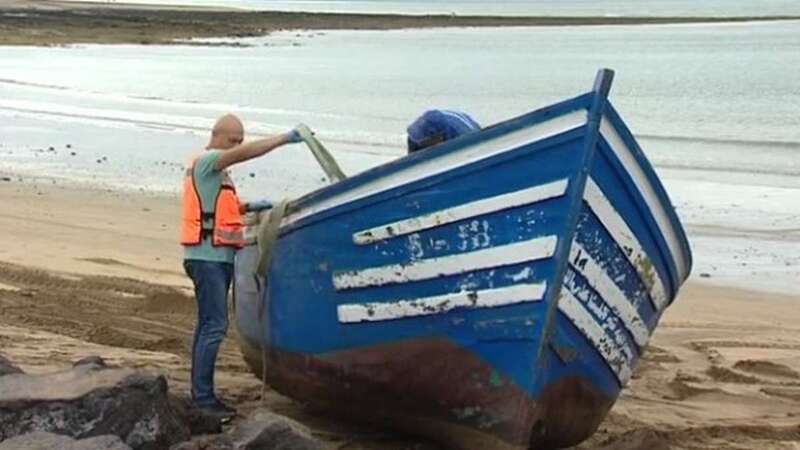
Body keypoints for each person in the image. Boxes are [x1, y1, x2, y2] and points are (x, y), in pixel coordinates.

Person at [180, 114, 303, 417]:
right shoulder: (208, 161)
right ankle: (204, 400)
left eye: (240, 141)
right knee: (215, 326)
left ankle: (200, 393)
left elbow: (219, 207)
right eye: (232, 141)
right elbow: (248, 154)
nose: (236, 147)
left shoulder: (217, 175)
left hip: (216, 257)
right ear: (217, 136)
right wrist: (283, 139)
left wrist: (248, 206)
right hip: (207, 259)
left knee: (207, 325)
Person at [406, 109, 480, 154]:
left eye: (424, 141)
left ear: (438, 137)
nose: (420, 143)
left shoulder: (463, 136)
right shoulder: (417, 128)